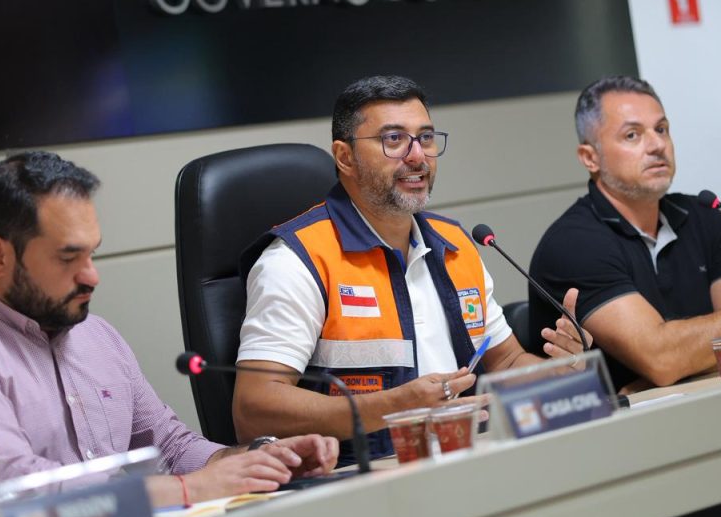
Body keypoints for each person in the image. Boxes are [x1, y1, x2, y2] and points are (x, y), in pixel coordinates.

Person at [0, 152, 337, 517]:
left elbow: (171, 447)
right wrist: (189, 489)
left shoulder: (94, 334)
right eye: (68, 258)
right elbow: (20, 497)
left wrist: (259, 459)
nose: (92, 276)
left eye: (92, 254)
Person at [233, 75, 588, 461]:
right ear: (345, 157)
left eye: (426, 138)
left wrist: (556, 373)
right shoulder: (298, 259)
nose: (417, 156)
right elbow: (253, 411)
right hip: (362, 478)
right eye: (394, 139)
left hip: (474, 459)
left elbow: (506, 361)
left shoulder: (456, 245)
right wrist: (395, 406)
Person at [526, 76, 721, 392]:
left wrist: (679, 368)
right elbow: (663, 359)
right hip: (616, 421)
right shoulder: (574, 243)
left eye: (661, 129)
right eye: (632, 135)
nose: (657, 145)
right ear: (590, 157)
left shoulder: (703, 216)